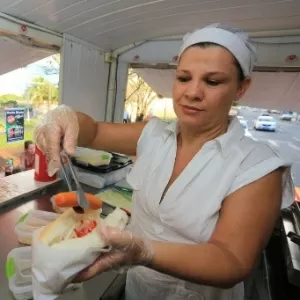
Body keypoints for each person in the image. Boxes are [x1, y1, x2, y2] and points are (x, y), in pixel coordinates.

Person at [34, 24, 294, 300]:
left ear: (242, 87)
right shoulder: (155, 135)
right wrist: (64, 116)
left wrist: (144, 251)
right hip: (139, 289)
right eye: (183, 78)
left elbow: (231, 260)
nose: (192, 92)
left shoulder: (256, 166)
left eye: (213, 81)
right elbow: (94, 131)